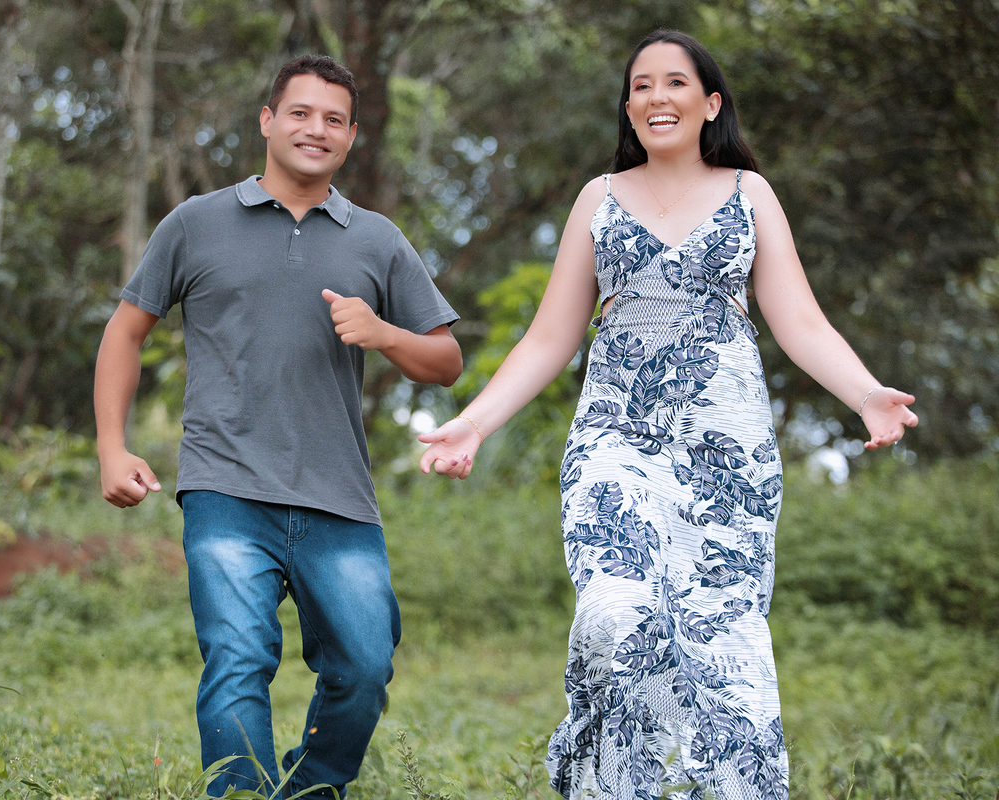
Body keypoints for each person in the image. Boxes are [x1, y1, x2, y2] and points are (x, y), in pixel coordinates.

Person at [418, 29, 917, 800]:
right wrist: (475, 422)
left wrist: (865, 393)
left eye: (675, 82)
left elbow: (801, 322)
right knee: (617, 617)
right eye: (641, 85)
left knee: (724, 641)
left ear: (710, 103)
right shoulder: (599, 199)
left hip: (727, 453)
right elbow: (549, 337)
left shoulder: (751, 195)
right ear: (629, 108)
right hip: (616, 436)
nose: (657, 96)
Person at [94, 54, 462, 799]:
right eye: (299, 113)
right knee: (237, 660)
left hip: (339, 497)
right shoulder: (195, 223)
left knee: (364, 665)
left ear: (351, 136)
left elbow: (446, 361)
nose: (315, 129)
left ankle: (311, 789)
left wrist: (383, 333)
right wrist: (111, 446)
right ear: (267, 121)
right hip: (225, 487)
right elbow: (125, 333)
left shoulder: (377, 239)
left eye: (334, 119)